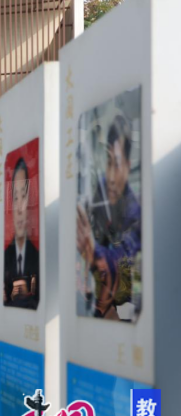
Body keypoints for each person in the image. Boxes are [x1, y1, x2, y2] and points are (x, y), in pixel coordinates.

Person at [76, 115, 141, 321]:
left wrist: (92, 250)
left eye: (117, 165)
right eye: (109, 163)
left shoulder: (136, 214)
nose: (112, 177)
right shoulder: (99, 193)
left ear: (128, 166)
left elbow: (124, 260)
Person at [4, 158, 39, 309]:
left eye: (23, 197)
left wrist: (28, 295)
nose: (19, 208)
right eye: (15, 198)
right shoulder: (4, 258)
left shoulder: (38, 258)